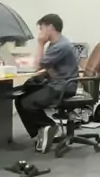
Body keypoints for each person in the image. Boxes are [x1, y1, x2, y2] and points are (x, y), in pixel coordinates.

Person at [15, 13, 78, 153]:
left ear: (50, 27)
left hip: (64, 86)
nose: (40, 32)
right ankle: (39, 134)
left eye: (42, 28)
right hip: (58, 83)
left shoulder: (60, 46)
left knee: (27, 102)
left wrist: (40, 44)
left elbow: (39, 65)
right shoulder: (56, 44)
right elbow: (45, 67)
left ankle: (49, 126)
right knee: (20, 100)